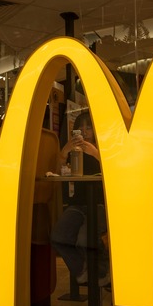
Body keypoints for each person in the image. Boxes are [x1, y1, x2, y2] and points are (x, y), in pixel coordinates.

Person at [50, 111, 110, 287]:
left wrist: (96, 153)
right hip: (77, 203)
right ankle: (82, 271)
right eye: (80, 128)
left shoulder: (105, 147)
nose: (84, 132)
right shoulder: (72, 150)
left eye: (89, 127)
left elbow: (117, 169)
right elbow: (56, 172)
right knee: (58, 236)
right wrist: (65, 151)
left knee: (85, 240)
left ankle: (103, 272)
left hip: (100, 203)